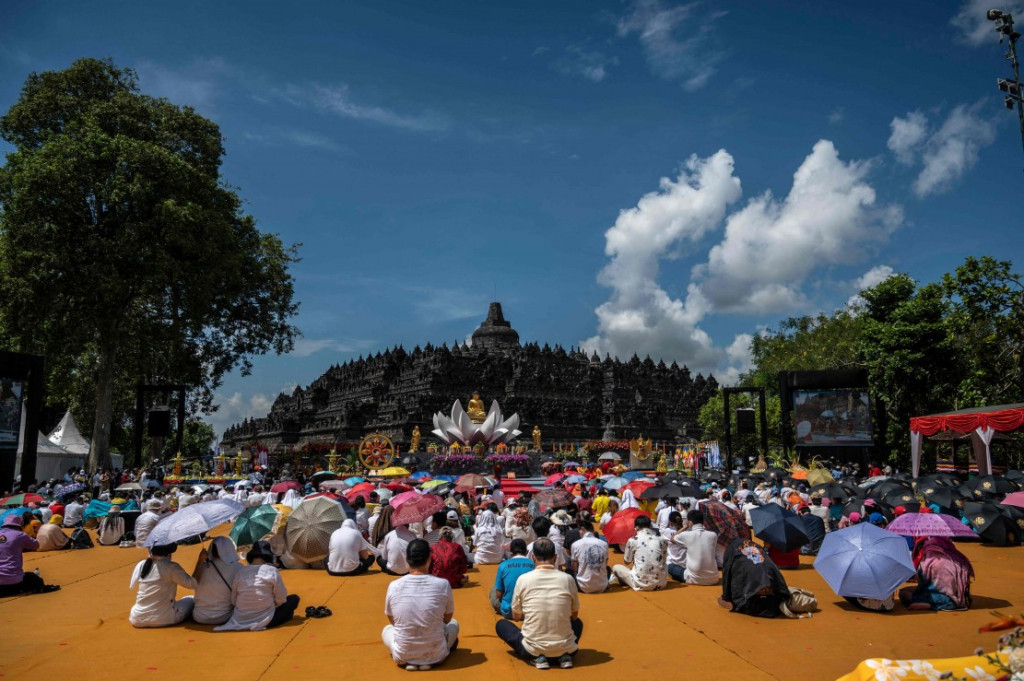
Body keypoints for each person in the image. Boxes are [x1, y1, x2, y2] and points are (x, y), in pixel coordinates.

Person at [495, 538, 583, 670]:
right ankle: (563, 655)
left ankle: (538, 657)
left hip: (532, 649)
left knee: (501, 625)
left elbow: (517, 616)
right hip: (568, 648)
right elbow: (574, 616)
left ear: (533, 557)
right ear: (555, 558)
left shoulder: (523, 579)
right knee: (578, 623)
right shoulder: (568, 579)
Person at [382, 539, 459, 671]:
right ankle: (426, 660)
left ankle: (412, 660)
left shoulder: (394, 586)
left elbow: (393, 620)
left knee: (387, 630)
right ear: (429, 559)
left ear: (407, 559)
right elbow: (446, 619)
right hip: (436, 655)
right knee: (454, 624)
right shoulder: (443, 584)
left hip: (402, 655)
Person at [215, 541, 301, 631]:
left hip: (240, 619)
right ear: (268, 557)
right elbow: (281, 599)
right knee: (294, 599)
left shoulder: (241, 571)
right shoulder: (272, 570)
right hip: (266, 619)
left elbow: (234, 600)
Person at [718, 537, 790, 618]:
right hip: (772, 594)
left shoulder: (732, 548)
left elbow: (727, 572)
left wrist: (726, 597)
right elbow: (774, 570)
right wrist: (784, 593)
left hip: (753, 596)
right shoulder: (758, 548)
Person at [129, 543, 196, 627]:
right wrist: (200, 562)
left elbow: (132, 584)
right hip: (165, 618)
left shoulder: (141, 565)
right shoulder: (171, 567)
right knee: (191, 598)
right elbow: (192, 584)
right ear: (168, 552)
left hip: (137, 618)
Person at [899, 537, 974, 611]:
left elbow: (923, 583)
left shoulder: (927, 561)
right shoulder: (957, 556)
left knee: (904, 594)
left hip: (942, 597)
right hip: (959, 595)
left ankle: (931, 604)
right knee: (908, 592)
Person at [0, 516, 60, 596]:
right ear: (19, 526)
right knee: (34, 578)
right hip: (13, 580)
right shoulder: (19, 535)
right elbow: (36, 545)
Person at [192, 536, 243, 625]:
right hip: (225, 616)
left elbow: (193, 582)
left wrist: (200, 561)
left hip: (199, 616)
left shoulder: (202, 567)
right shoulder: (238, 567)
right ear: (230, 548)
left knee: (188, 598)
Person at [611, 514, 667, 591]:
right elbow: (664, 560)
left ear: (636, 527)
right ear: (650, 526)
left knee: (616, 567)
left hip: (640, 584)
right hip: (661, 584)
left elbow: (627, 561)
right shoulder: (662, 540)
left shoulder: (633, 540)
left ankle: (627, 582)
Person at [668, 509, 720, 586]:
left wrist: (685, 527)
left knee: (669, 566)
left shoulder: (687, 535)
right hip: (714, 578)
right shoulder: (713, 535)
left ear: (690, 523)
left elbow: (672, 539)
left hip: (694, 579)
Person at [491, 538, 534, 618]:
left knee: (494, 590)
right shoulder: (533, 564)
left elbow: (498, 594)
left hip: (509, 612)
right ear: (526, 552)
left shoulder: (503, 565)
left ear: (511, 553)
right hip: (529, 612)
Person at [569, 518, 610, 593]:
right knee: (608, 569)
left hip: (583, 587)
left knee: (569, 571)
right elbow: (605, 563)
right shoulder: (604, 544)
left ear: (582, 529)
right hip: (602, 586)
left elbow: (574, 566)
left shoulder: (576, 544)